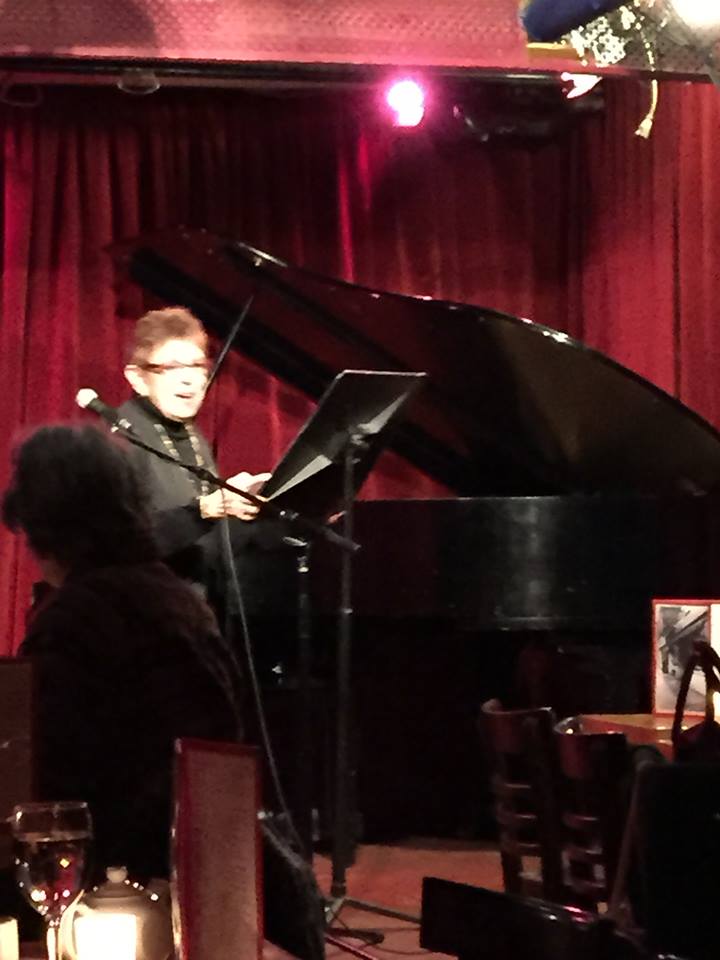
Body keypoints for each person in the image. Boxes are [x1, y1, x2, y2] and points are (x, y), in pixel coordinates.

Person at [2, 424, 242, 881]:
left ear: (42, 524)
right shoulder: (176, 597)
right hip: (200, 855)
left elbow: (47, 778)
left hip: (120, 866)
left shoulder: (77, 617)